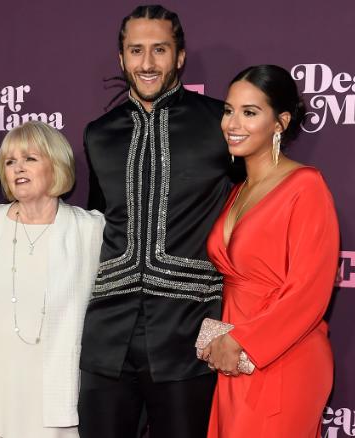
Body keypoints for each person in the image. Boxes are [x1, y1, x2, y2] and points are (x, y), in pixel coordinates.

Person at [78, 5, 235, 438]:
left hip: (190, 332)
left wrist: (224, 325)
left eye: (159, 50)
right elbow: (95, 221)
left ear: (180, 56)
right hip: (106, 337)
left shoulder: (221, 122)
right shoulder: (99, 132)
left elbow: (249, 220)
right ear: (121, 59)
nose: (147, 63)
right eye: (136, 51)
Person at [201, 64, 340, 437]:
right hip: (235, 359)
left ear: (279, 122)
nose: (233, 123)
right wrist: (227, 340)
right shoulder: (238, 191)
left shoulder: (306, 187)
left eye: (250, 112)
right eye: (229, 110)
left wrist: (244, 340)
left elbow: (309, 290)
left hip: (283, 358)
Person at [0, 121, 104, 438]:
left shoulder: (90, 229)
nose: (17, 168)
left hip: (55, 390)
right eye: (10, 161)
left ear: (56, 164)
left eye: (30, 158)